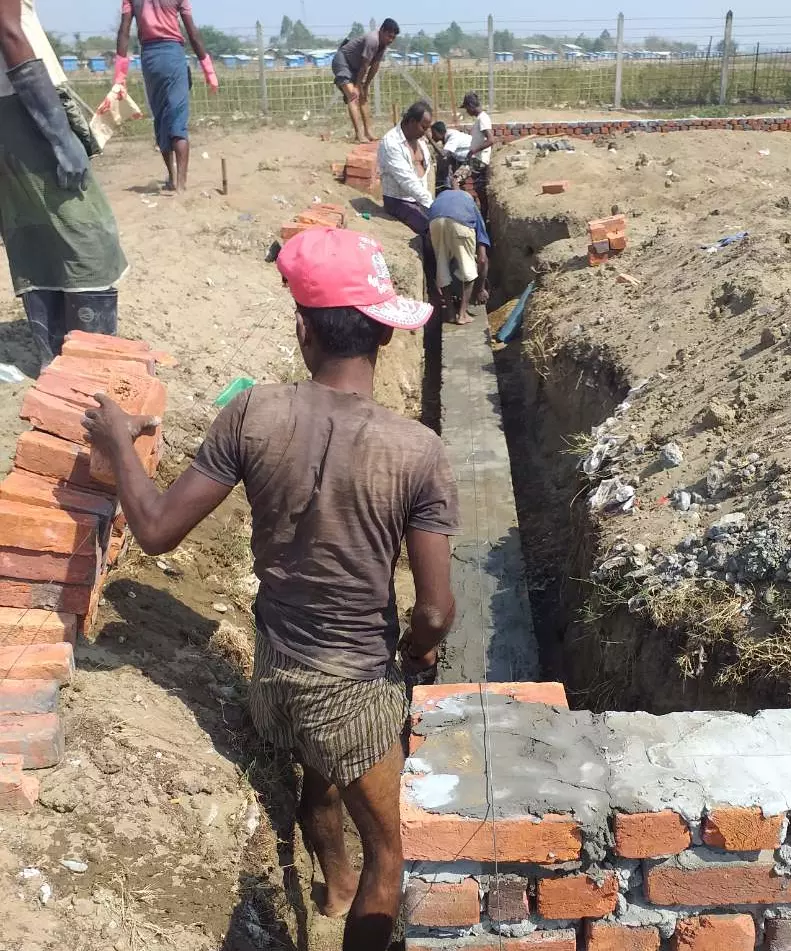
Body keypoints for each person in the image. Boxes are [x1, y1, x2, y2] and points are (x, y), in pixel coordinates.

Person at [81, 227, 459, 951]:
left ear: (303, 329)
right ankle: (356, 891)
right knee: (393, 850)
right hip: (351, 683)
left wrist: (118, 444)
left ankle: (334, 888)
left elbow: (155, 529)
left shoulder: (252, 412)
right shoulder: (419, 452)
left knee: (319, 779)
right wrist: (414, 655)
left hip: (275, 668)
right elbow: (437, 610)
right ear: (383, 332)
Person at [0, 0, 128, 368]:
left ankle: (55, 365)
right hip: (25, 111)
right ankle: (88, 368)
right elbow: (9, 30)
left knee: (33, 233)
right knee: (90, 239)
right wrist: (59, 135)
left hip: (12, 112)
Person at [115, 0, 219, 192]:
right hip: (173, 55)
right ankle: (181, 184)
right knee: (178, 119)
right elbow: (193, 34)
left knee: (161, 118)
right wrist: (209, 70)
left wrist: (119, 76)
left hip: (150, 59)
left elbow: (124, 31)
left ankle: (171, 178)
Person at [428, 181, 490, 325]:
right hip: (460, 222)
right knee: (468, 268)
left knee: (442, 266)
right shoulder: (472, 207)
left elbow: (429, 247)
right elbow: (482, 259)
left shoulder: (441, 197)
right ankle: (462, 315)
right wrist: (480, 289)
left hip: (435, 222)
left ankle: (450, 313)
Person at [332, 19, 399, 143]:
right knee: (353, 96)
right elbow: (364, 65)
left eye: (393, 38)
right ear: (382, 30)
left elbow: (375, 66)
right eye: (389, 36)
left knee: (363, 97)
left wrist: (366, 85)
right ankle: (359, 134)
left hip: (355, 67)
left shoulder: (383, 45)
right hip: (342, 61)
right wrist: (358, 86)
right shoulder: (372, 40)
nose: (390, 40)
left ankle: (368, 132)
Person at [378, 100, 434, 236]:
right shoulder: (391, 143)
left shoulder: (419, 139)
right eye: (423, 127)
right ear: (412, 121)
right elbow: (407, 181)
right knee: (432, 230)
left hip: (420, 200)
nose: (426, 132)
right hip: (399, 202)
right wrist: (433, 206)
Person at [461, 91, 494, 221]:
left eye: (466, 108)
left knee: (456, 179)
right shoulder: (481, 118)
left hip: (479, 160)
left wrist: (474, 151)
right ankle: (484, 220)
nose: (467, 112)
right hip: (478, 159)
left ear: (470, 105)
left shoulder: (483, 119)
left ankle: (457, 212)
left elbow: (491, 140)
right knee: (480, 193)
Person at [429, 120, 471, 193]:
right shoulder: (448, 136)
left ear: (440, 133)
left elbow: (443, 154)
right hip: (465, 159)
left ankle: (457, 199)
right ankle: (447, 186)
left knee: (454, 180)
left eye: (434, 134)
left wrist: (430, 140)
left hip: (473, 160)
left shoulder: (453, 137)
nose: (433, 136)